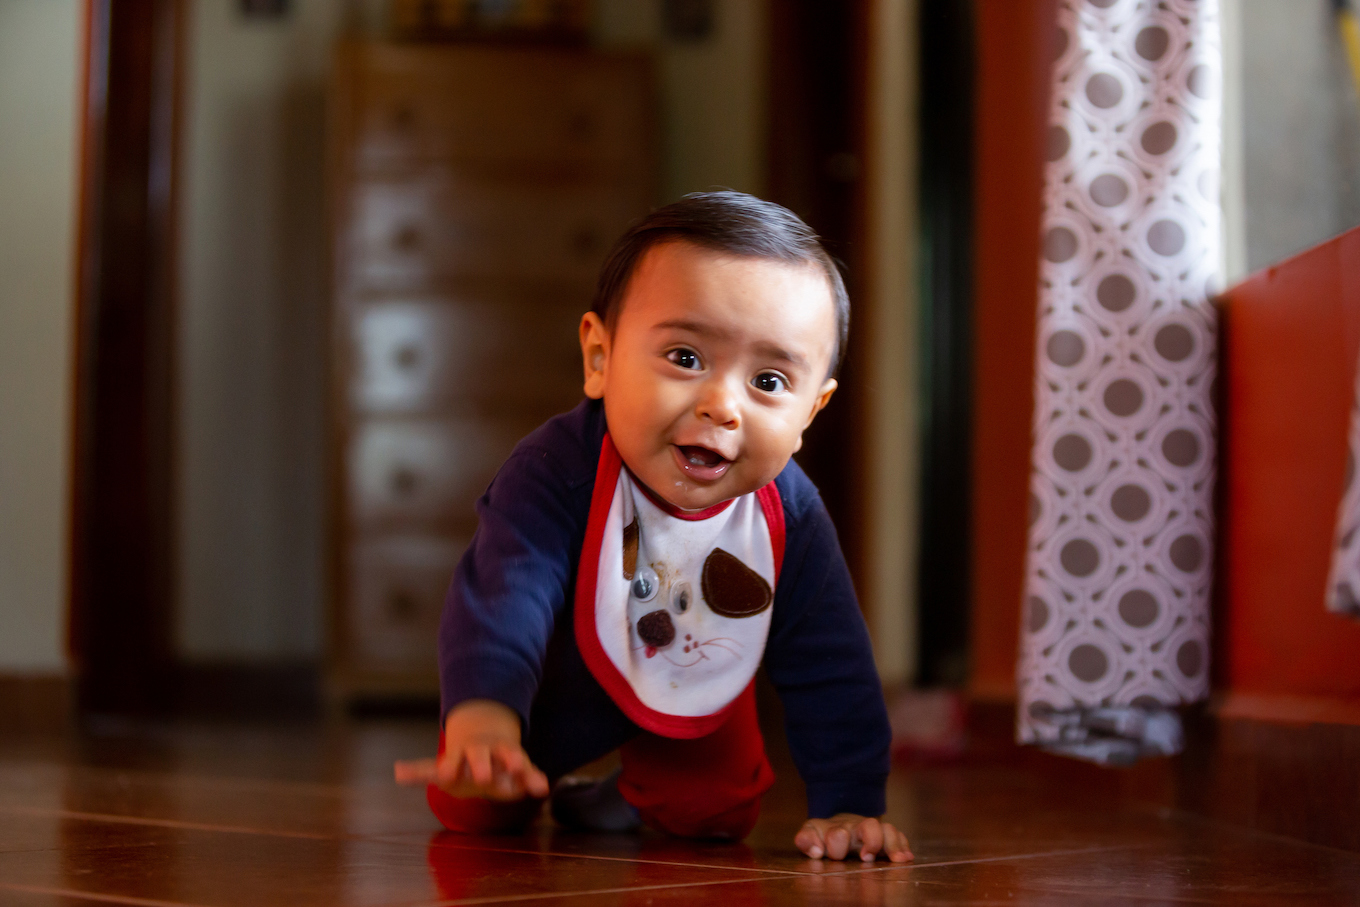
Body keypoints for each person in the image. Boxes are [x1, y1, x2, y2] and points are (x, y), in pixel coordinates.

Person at [395, 191, 911, 863]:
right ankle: (530, 771)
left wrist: (850, 801)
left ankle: (621, 798)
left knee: (719, 815)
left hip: (689, 668)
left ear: (812, 411)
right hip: (556, 682)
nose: (722, 405)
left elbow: (830, 655)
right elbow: (503, 594)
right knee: (477, 807)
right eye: (686, 358)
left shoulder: (790, 514)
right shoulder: (555, 471)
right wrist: (486, 710)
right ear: (600, 358)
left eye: (769, 379)